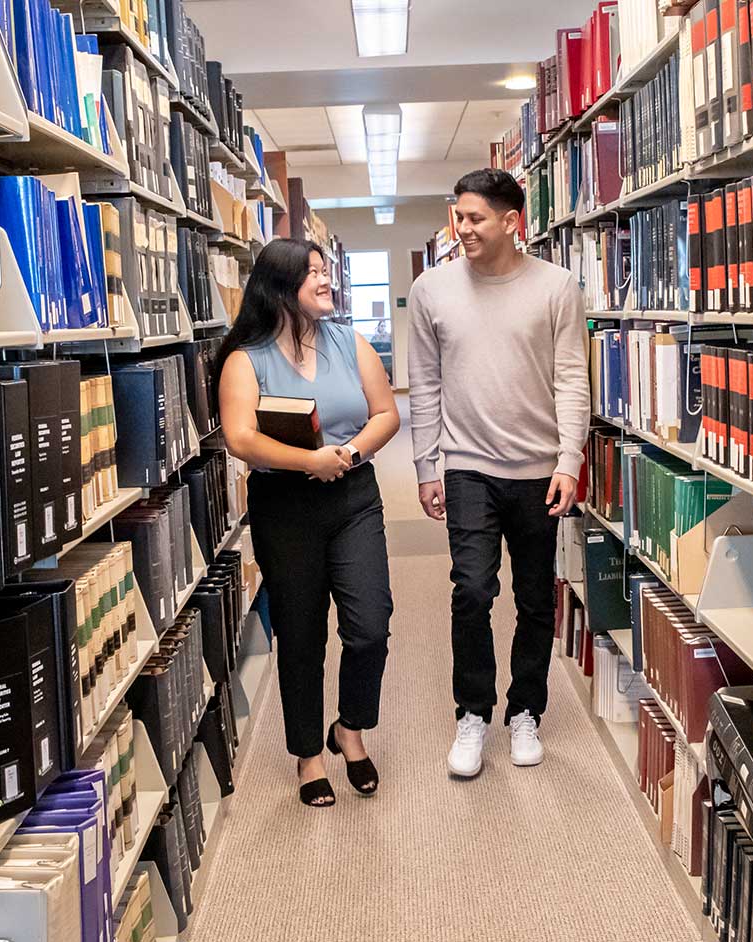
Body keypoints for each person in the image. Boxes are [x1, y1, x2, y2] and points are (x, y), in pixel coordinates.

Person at [406, 169, 589, 778]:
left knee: (537, 599)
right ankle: (473, 713)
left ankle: (525, 711)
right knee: (473, 591)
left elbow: (571, 379)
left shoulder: (558, 287)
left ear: (513, 222)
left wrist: (570, 459)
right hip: (467, 467)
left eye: (476, 218)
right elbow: (425, 383)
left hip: (538, 469)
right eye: (458, 216)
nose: (463, 228)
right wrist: (426, 464)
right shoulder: (432, 290)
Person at [216, 238, 401, 807]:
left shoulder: (351, 342)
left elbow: (387, 413)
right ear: (279, 286)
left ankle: (349, 726)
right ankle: (308, 756)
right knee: (301, 636)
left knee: (370, 624)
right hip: (285, 506)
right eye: (313, 273)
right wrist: (308, 461)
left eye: (326, 271)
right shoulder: (245, 359)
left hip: (353, 497)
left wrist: (345, 456)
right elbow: (241, 437)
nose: (326, 281)